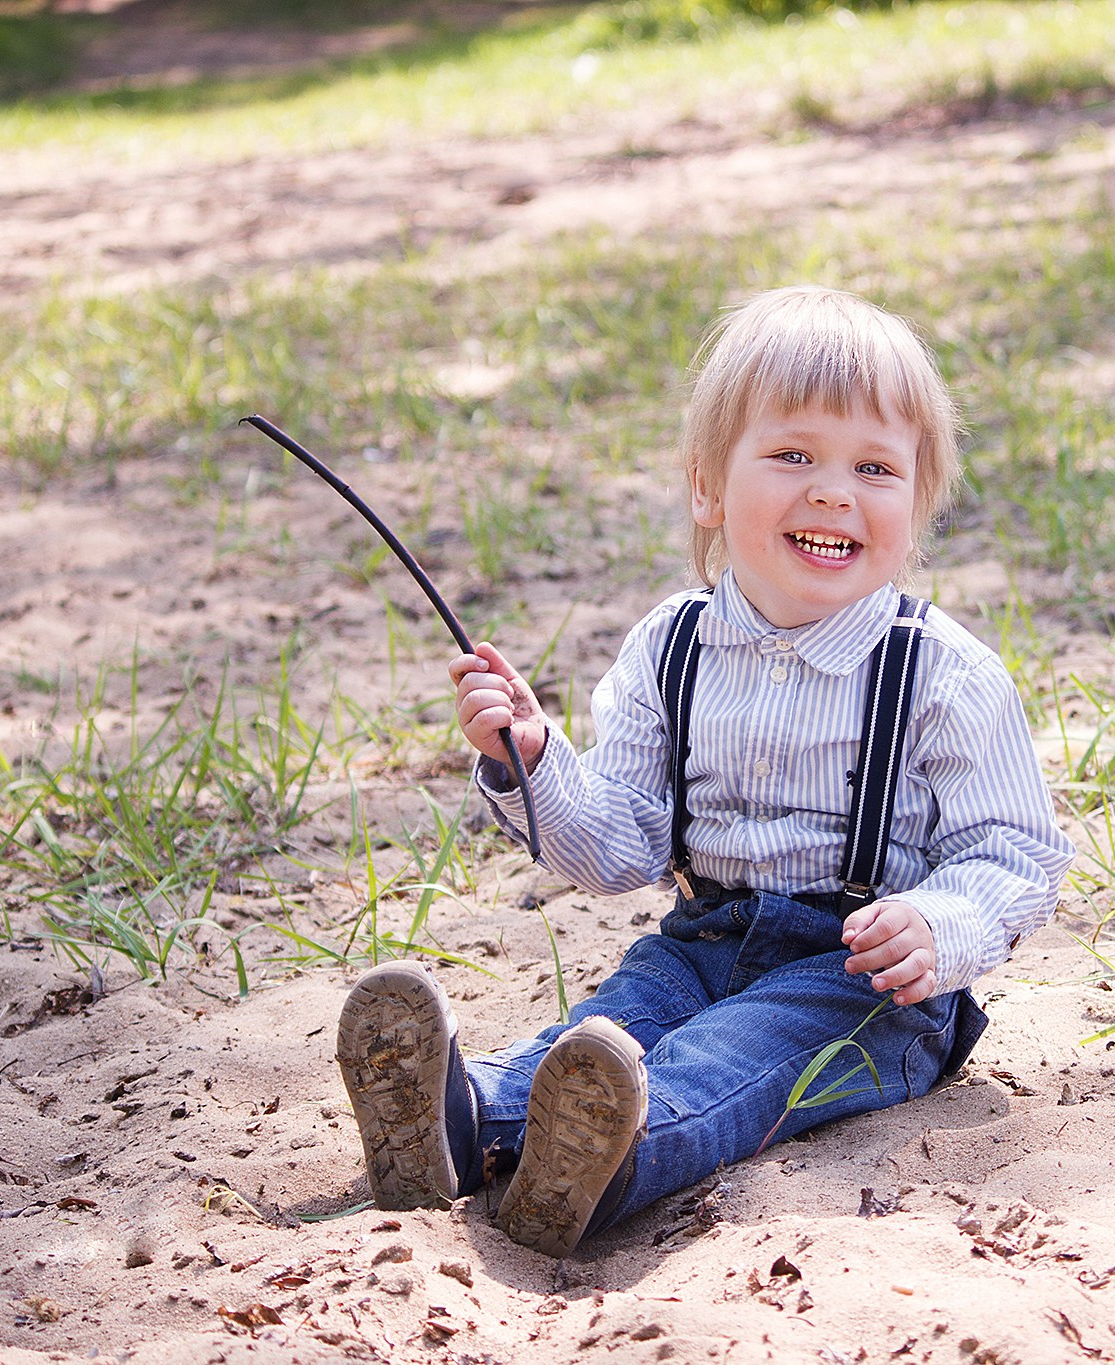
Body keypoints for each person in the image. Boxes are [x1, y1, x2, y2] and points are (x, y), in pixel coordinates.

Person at [334, 285, 1074, 1258]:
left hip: (861, 978)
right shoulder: (671, 650)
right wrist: (531, 761)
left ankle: (606, 1166)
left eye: (874, 467)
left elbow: (1014, 851)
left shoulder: (940, 672)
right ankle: (461, 1119)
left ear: (916, 501)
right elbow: (619, 843)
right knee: (606, 1034)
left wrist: (940, 925)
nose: (833, 490)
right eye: (792, 454)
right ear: (707, 488)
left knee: (732, 1061)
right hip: (701, 934)